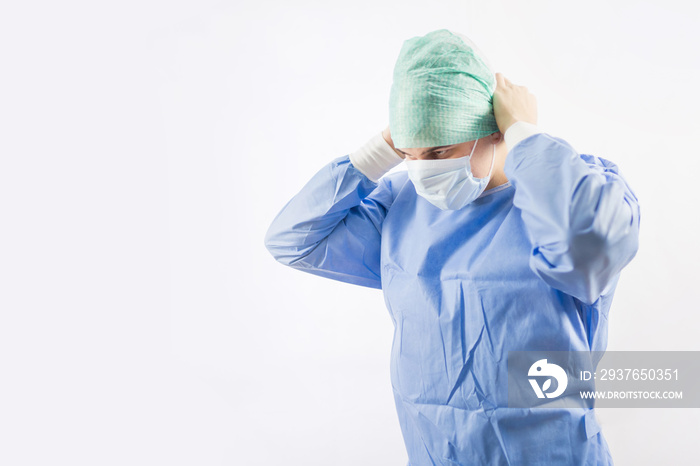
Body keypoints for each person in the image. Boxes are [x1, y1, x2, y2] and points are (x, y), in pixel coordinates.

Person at [264, 29, 639, 465]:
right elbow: (293, 239)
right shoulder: (400, 205)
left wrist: (524, 133)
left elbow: (588, 245)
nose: (424, 172)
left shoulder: (575, 192)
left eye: (441, 151)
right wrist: (384, 150)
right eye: (410, 154)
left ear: (492, 132)